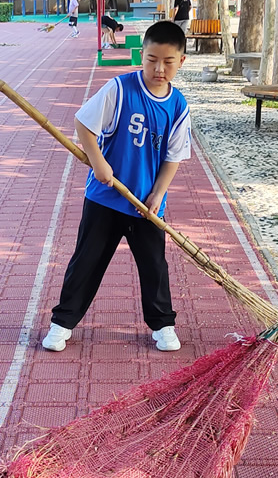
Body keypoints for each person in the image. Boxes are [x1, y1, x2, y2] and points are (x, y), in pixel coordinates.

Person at [42, 21, 192, 354]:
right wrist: (98, 162)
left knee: (155, 266)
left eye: (168, 61)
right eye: (152, 59)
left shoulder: (178, 106)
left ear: (181, 61)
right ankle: (62, 323)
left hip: (146, 204)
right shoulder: (120, 89)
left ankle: (163, 325)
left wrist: (158, 193)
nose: (159, 68)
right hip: (105, 199)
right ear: (142, 55)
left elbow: (172, 157)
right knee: (87, 261)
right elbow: (83, 123)